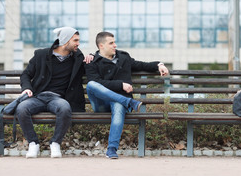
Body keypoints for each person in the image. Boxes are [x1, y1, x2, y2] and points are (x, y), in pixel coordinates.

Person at [85, 31, 169, 159]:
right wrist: (120, 85)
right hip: (101, 103)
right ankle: (128, 102)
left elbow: (142, 65)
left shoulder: (124, 57)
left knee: (119, 106)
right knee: (91, 84)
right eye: (111, 43)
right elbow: (98, 83)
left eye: (114, 42)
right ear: (101, 46)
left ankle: (112, 149)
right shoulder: (92, 62)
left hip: (118, 102)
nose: (115, 45)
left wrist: (159, 65)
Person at [16, 27, 88, 158]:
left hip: (58, 99)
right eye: (75, 40)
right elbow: (26, 74)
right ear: (65, 41)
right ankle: (33, 143)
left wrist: (92, 57)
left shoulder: (77, 58)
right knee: (21, 108)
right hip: (38, 97)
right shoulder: (41, 55)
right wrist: (27, 88)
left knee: (65, 108)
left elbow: (91, 68)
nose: (78, 43)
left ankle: (55, 143)